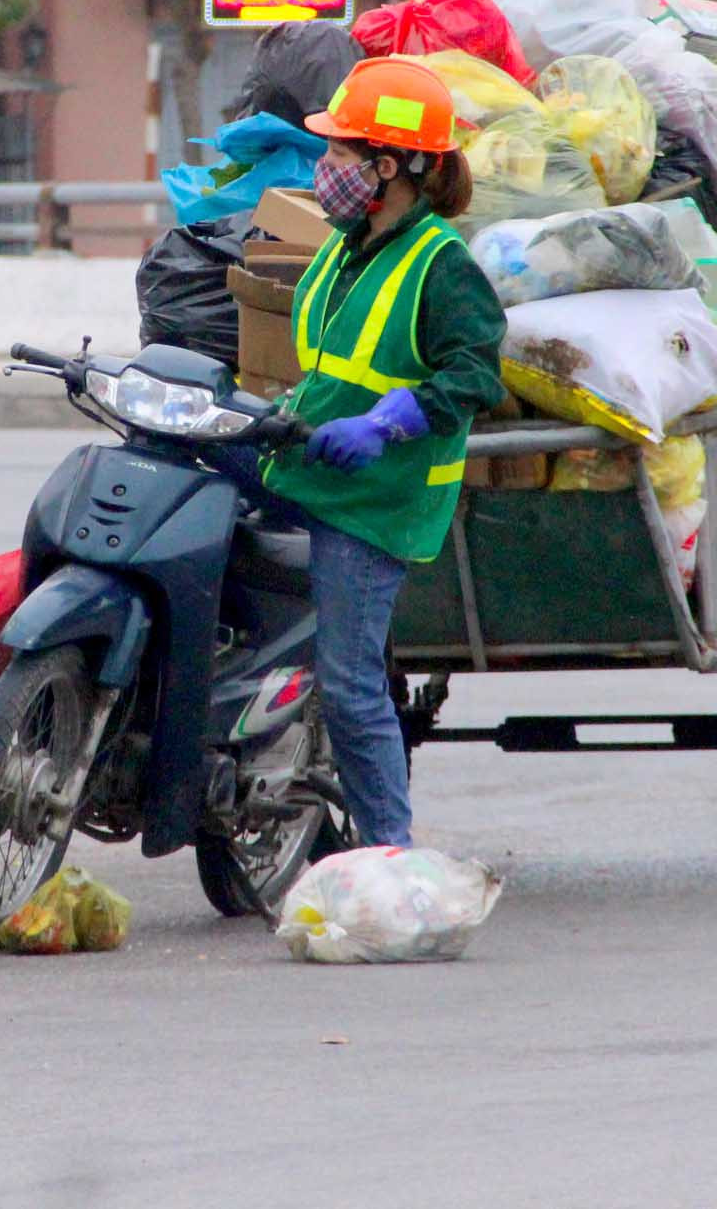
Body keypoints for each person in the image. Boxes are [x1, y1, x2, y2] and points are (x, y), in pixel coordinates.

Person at [259, 57, 505, 851]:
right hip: (307, 468)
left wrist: (389, 422)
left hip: (376, 498)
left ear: (390, 167)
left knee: (352, 684)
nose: (324, 168)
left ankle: (391, 854)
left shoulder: (442, 264)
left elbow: (475, 373)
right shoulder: (343, 242)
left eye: (340, 153)